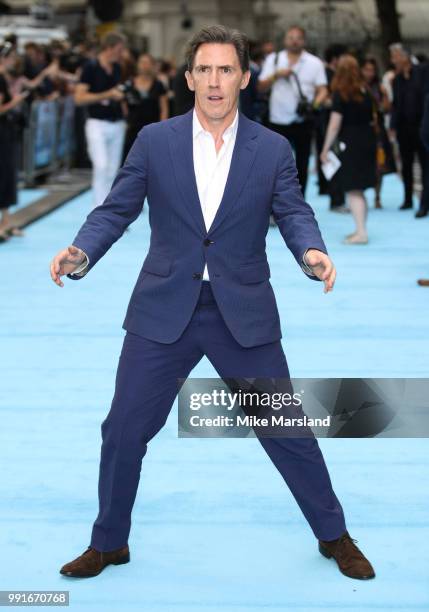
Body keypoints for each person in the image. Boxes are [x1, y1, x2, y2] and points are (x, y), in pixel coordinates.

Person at [50, 25, 374, 581]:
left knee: (286, 430)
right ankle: (109, 543)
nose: (215, 81)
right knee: (123, 427)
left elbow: (293, 211)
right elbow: (116, 208)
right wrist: (82, 250)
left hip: (240, 312)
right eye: (205, 69)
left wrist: (312, 251)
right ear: (189, 78)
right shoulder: (155, 140)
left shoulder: (272, 149)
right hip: (163, 309)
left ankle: (334, 535)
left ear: (245, 78)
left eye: (227, 69)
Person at [257, 26, 328, 196]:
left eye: (298, 37)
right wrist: (276, 75)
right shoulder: (274, 60)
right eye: (291, 37)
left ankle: (298, 203)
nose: (294, 40)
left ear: (303, 41)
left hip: (303, 120)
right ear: (285, 40)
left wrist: (315, 105)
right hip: (277, 119)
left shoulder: (314, 62)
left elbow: (323, 89)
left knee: (302, 164)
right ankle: (274, 204)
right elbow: (260, 87)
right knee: (275, 165)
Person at [321, 55, 377, 244]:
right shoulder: (365, 91)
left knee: (353, 190)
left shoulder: (341, 93)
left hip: (350, 143)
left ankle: (361, 232)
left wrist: (325, 148)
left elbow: (334, 125)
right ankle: (361, 229)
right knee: (359, 189)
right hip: (368, 140)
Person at [74, 32, 127, 208]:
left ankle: (109, 210)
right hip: (97, 123)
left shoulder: (118, 68)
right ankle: (99, 210)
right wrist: (107, 94)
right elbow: (79, 98)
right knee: (101, 166)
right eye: (119, 49)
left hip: (117, 122)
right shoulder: (90, 67)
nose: (122, 53)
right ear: (109, 48)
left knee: (113, 170)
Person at [389, 43, 427, 215]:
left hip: (423, 126)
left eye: (395, 56)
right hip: (404, 128)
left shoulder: (422, 72)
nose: (393, 60)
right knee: (406, 165)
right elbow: (395, 105)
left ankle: (424, 203)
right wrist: (392, 126)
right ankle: (407, 199)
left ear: (405, 56)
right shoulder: (396, 80)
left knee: (425, 165)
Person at [0, 44, 29, 241]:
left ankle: (6, 221)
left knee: (7, 177)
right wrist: (16, 102)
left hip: (6, 133)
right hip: (2, 134)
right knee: (4, 176)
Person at [122, 53, 169, 160]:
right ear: (138, 65)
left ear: (152, 65)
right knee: (131, 159)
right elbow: (123, 103)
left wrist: (162, 128)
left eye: (147, 63)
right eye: (142, 62)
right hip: (133, 129)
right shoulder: (129, 84)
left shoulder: (159, 85)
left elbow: (164, 108)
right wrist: (125, 121)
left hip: (152, 128)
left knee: (152, 159)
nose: (144, 65)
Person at [361, 56, 393, 209]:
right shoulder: (357, 88)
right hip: (362, 130)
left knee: (380, 164)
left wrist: (384, 96)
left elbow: (386, 108)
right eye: (366, 70)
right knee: (363, 163)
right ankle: (360, 195)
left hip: (378, 130)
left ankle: (377, 195)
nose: (370, 73)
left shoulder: (379, 87)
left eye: (372, 70)